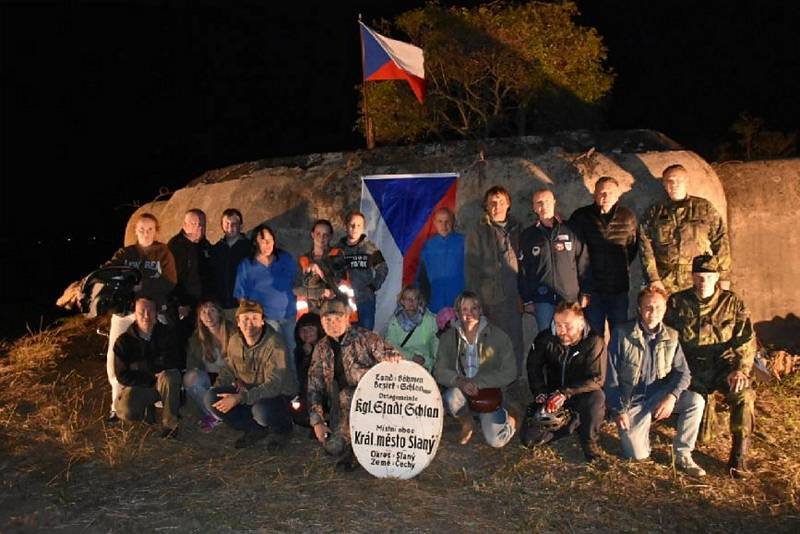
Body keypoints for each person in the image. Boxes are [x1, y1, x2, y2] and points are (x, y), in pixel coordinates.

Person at [665, 255, 756, 477]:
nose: (703, 280)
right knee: (703, 436)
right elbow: (666, 337)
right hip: (690, 370)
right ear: (693, 277)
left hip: (722, 369)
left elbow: (746, 339)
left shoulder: (732, 303)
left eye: (708, 275)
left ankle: (738, 459)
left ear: (716, 277)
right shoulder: (677, 301)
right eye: (699, 275)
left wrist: (740, 369)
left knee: (744, 395)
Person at [605, 287, 706, 476]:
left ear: (665, 309)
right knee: (637, 456)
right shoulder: (621, 334)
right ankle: (640, 433)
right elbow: (611, 378)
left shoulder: (672, 336)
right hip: (633, 401)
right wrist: (619, 410)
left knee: (696, 401)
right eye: (648, 308)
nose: (653, 313)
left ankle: (683, 453)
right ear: (639, 309)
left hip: (659, 395)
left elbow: (684, 373)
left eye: (658, 308)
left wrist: (672, 397)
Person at [87, 212, 177, 422]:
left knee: (159, 353)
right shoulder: (126, 253)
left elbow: (170, 281)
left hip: (152, 311)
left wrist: (142, 286)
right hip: (126, 310)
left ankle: (158, 401)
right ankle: (116, 404)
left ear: (156, 231)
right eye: (142, 229)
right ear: (135, 231)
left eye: (150, 229)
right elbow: (108, 270)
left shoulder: (163, 252)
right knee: (114, 356)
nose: (146, 233)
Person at [307, 298, 402, 471]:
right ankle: (349, 438)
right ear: (321, 322)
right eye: (327, 320)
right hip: (340, 409)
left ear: (347, 318)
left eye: (337, 319)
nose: (333, 324)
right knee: (332, 448)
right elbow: (314, 387)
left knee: (348, 395)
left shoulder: (365, 337)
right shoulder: (321, 348)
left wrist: (392, 357)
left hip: (372, 406)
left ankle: (358, 451)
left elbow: (390, 354)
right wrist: (317, 422)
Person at [204, 300, 297, 449]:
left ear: (262, 321)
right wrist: (218, 392)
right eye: (245, 318)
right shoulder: (235, 341)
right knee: (211, 398)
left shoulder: (275, 344)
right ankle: (254, 429)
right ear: (238, 322)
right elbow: (229, 369)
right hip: (248, 392)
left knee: (261, 410)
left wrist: (240, 398)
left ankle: (282, 430)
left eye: (254, 318)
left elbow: (274, 385)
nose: (250, 323)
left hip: (276, 395)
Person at [433, 291, 519, 448]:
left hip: (488, 393)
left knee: (496, 441)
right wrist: (460, 381)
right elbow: (439, 370)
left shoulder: (499, 337)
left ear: (481, 310)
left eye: (474, 308)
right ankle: (466, 422)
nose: (469, 313)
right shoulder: (448, 338)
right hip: (462, 390)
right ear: (457, 313)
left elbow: (510, 372)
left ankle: (511, 418)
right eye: (464, 309)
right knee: (451, 396)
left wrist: (479, 383)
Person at [525, 302, 606, 461]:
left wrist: (566, 392)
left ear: (581, 324)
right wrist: (540, 391)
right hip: (553, 394)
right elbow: (533, 366)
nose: (561, 331)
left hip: (580, 393)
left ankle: (589, 442)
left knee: (597, 398)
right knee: (529, 440)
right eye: (557, 324)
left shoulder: (594, 341)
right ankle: (571, 424)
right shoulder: (545, 338)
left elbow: (597, 378)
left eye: (567, 326)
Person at [639, 164, 731, 295]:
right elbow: (645, 246)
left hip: (697, 279)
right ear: (664, 185)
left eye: (679, 180)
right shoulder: (654, 212)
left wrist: (723, 276)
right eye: (669, 181)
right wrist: (653, 278)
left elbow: (721, 240)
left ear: (687, 181)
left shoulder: (704, 208)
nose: (674, 185)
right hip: (665, 281)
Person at [465, 186, 524, 378]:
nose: (496, 206)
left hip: (514, 296)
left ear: (508, 204)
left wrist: (525, 296)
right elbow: (471, 267)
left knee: (515, 341)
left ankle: (512, 382)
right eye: (491, 202)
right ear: (486, 207)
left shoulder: (518, 229)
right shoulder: (478, 231)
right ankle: (491, 386)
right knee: (488, 344)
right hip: (489, 298)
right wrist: (475, 301)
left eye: (500, 201)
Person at [569, 177, 638, 335]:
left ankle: (617, 361)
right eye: (602, 192)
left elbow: (632, 247)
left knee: (619, 334)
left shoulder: (627, 216)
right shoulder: (581, 216)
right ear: (594, 194)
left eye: (610, 192)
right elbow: (573, 251)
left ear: (618, 195)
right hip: (592, 290)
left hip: (618, 289)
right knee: (593, 335)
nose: (605, 196)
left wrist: (619, 266)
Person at [519, 189, 592, 337]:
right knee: (547, 339)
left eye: (546, 201)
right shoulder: (528, 235)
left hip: (569, 297)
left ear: (554, 202)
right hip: (542, 298)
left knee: (572, 337)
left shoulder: (571, 229)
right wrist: (527, 299)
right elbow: (523, 270)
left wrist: (586, 291)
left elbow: (583, 261)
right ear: (533, 208)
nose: (543, 206)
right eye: (538, 203)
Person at [113, 295, 182, 439]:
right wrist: (151, 374)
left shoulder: (167, 334)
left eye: (150, 311)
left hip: (163, 384)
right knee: (126, 411)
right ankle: (146, 409)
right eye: (141, 311)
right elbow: (122, 375)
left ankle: (170, 424)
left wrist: (138, 366)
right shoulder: (123, 341)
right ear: (135, 314)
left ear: (156, 312)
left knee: (170, 376)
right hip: (141, 385)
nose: (146, 315)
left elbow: (175, 360)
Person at [234, 224, 299, 358]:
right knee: (274, 355)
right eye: (263, 241)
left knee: (292, 353)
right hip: (266, 318)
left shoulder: (284, 258)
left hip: (288, 315)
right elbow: (241, 295)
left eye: (270, 240)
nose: (268, 244)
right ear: (255, 243)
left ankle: (294, 379)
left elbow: (297, 281)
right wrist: (251, 319)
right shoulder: (247, 265)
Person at [183, 299, 233, 433]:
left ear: (220, 313)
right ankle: (215, 415)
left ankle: (220, 413)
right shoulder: (196, 340)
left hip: (231, 380)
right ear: (199, 317)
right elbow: (191, 367)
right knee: (190, 377)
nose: (208, 316)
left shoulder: (234, 333)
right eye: (203, 312)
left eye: (212, 311)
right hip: (209, 381)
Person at [337, 211, 388, 330]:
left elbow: (383, 268)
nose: (355, 228)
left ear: (363, 228)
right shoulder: (337, 250)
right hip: (344, 302)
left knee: (365, 337)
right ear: (346, 226)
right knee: (345, 336)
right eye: (352, 224)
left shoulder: (369, 249)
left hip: (365, 301)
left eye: (359, 225)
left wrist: (373, 286)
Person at [168, 208, 212, 345]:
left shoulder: (204, 245)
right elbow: (169, 279)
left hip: (202, 306)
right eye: (194, 224)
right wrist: (180, 303)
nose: (199, 227)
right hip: (184, 307)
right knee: (184, 341)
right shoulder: (174, 247)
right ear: (184, 225)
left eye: (202, 224)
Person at [294, 219, 348, 318]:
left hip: (333, 312)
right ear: (312, 235)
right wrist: (319, 292)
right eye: (318, 234)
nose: (321, 238)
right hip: (310, 314)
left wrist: (320, 272)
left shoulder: (337, 255)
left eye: (325, 235)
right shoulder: (303, 260)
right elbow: (295, 289)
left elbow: (338, 282)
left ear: (331, 237)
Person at [416, 207, 465, 313]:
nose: (444, 225)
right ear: (434, 223)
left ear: (452, 222)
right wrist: (421, 298)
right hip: (435, 302)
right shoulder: (428, 246)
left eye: (447, 221)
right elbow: (421, 277)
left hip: (460, 301)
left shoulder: (463, 242)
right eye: (440, 221)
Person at [208, 208, 251, 321]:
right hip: (221, 305)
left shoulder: (249, 248)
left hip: (243, 305)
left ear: (240, 226)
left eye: (234, 224)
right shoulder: (216, 249)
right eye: (226, 223)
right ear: (222, 225)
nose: (230, 227)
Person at [384, 285, 439, 372]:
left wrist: (432, 364)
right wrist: (411, 357)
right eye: (407, 299)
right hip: (402, 363)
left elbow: (435, 344)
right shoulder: (394, 321)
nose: (411, 302)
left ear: (419, 301)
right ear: (402, 301)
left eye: (414, 298)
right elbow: (391, 344)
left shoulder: (430, 319)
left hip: (424, 364)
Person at [292, 311, 323, 427]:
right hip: (308, 392)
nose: (307, 333)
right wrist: (306, 356)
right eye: (303, 329)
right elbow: (302, 377)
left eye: (311, 328)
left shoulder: (328, 347)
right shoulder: (299, 351)